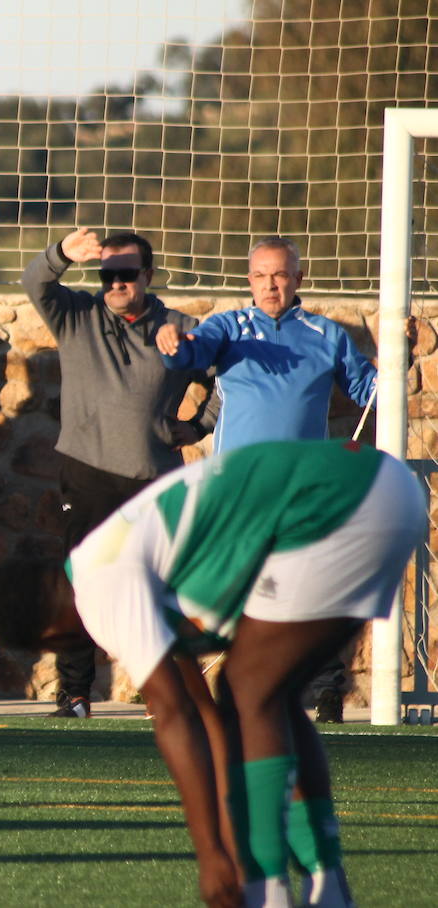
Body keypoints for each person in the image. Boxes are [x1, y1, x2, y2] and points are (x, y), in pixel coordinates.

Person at [0, 439, 423, 907]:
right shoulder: (109, 557)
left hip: (343, 503)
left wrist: (213, 857)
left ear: (49, 636)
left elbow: (173, 717)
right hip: (383, 488)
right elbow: (208, 721)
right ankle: (326, 884)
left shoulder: (98, 589)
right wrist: (226, 844)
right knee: (268, 695)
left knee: (251, 690)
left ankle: (266, 890)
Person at [156, 236, 390, 723]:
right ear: (249, 280)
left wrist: (397, 355)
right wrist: (175, 346)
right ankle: (213, 692)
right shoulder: (228, 327)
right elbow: (192, 354)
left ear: (298, 279)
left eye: (280, 275)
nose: (270, 285)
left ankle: (327, 693)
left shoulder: (326, 334)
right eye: (261, 275)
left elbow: (371, 392)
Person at [22, 227, 213, 718]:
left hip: (153, 480)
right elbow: (35, 282)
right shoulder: (77, 316)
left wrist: (196, 427)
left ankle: (164, 691)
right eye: (107, 274)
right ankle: (76, 693)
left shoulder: (178, 326)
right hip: (86, 474)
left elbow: (226, 377)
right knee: (79, 586)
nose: (116, 283)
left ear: (147, 275)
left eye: (127, 274)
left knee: (155, 587)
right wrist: (64, 253)